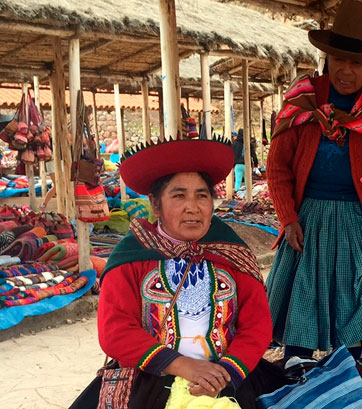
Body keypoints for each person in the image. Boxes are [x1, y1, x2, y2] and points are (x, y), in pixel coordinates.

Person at [266, 0, 362, 360]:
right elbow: (278, 169)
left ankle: (346, 380)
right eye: (340, 60)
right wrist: (288, 218)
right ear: (327, 58)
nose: (347, 71)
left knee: (350, 313)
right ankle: (298, 376)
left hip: (359, 225)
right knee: (300, 314)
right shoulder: (304, 101)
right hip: (307, 225)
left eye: (358, 62)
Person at [95, 139, 272, 407]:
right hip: (151, 377)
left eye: (202, 195)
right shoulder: (131, 256)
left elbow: (257, 324)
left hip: (229, 376)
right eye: (179, 196)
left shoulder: (232, 253)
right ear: (155, 205)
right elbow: (115, 330)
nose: (193, 207)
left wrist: (225, 374)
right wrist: (183, 366)